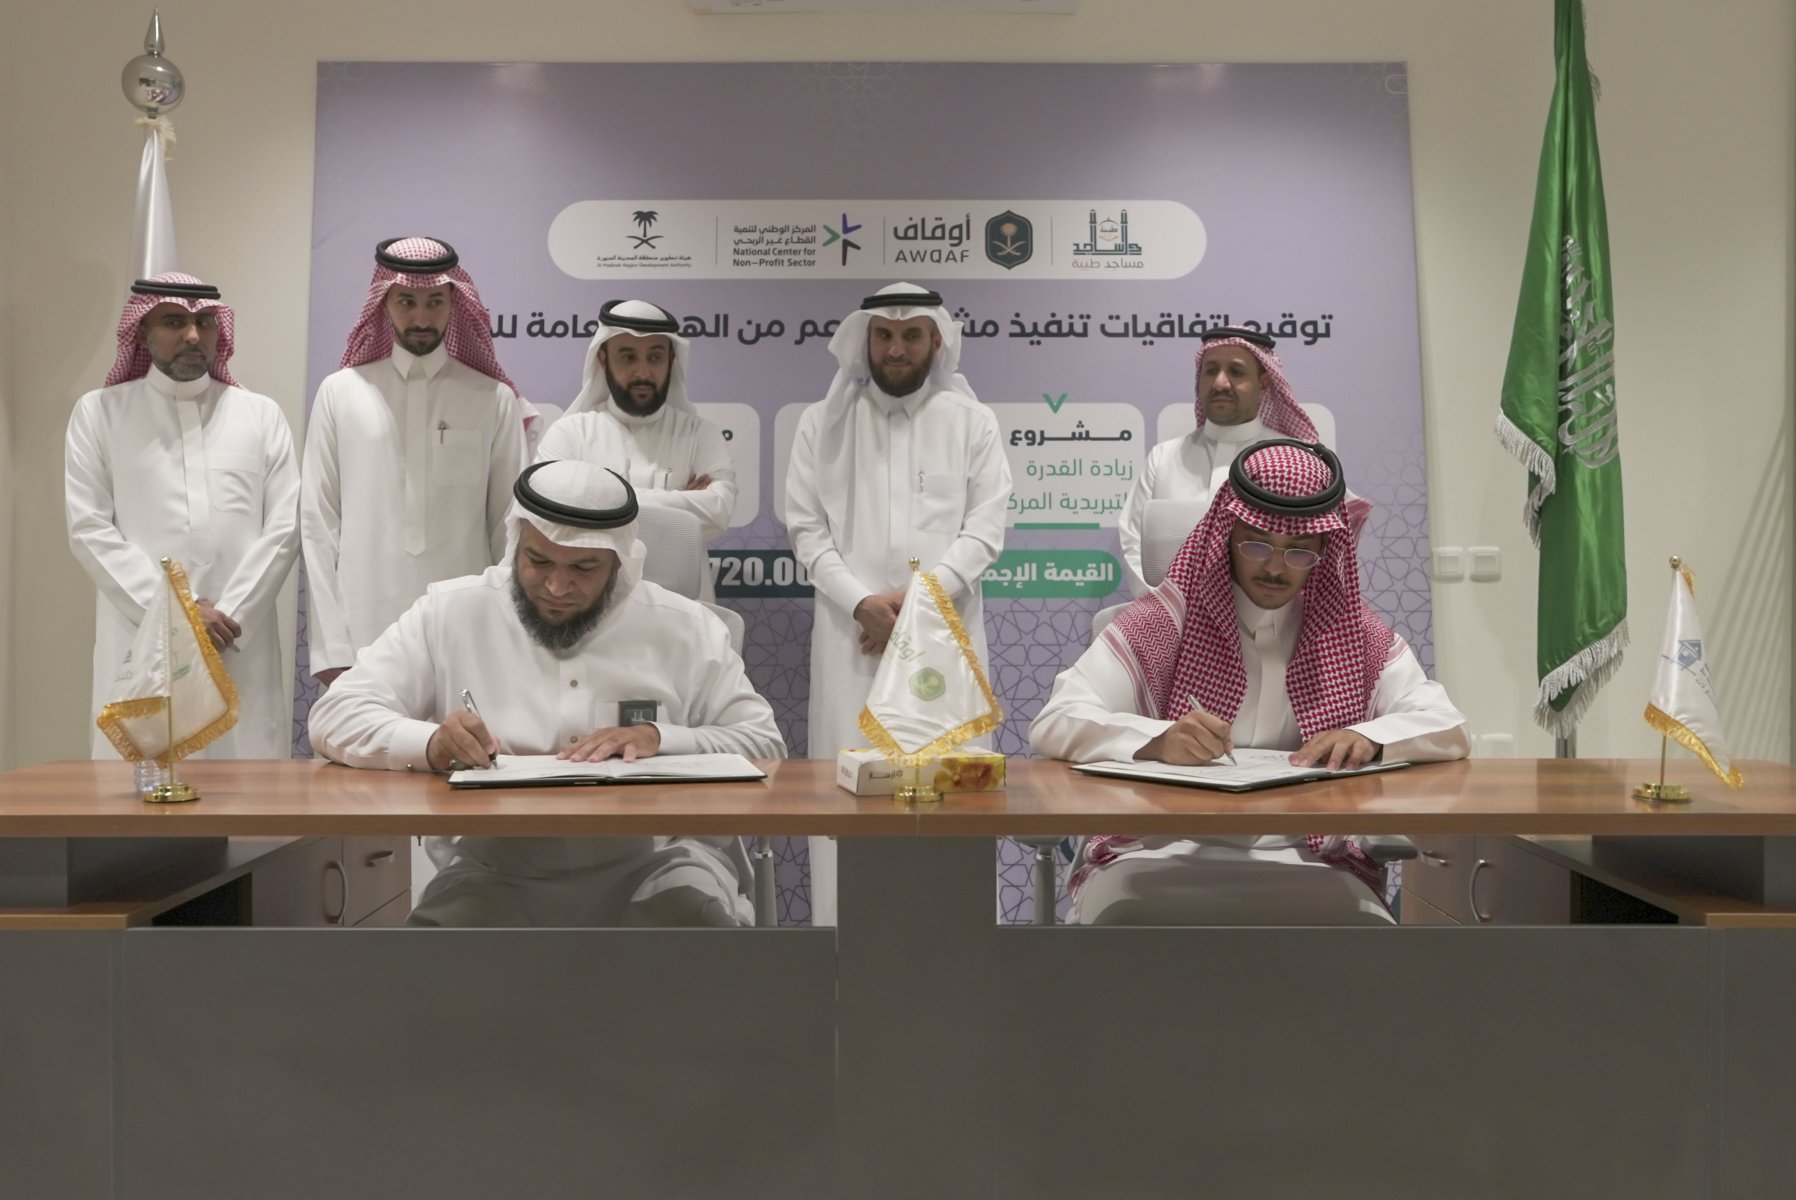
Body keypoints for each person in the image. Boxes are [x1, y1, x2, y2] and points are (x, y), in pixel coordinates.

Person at [307, 459, 786, 927]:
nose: (557, 586)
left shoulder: (684, 627)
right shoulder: (451, 613)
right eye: (538, 561)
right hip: (497, 870)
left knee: (693, 941)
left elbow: (764, 744)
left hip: (654, 863)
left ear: (619, 562)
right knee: (435, 961)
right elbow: (336, 714)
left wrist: (660, 739)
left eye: (583, 567)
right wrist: (431, 744)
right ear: (516, 543)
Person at [1031, 439, 1467, 925]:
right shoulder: (1163, 623)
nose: (1276, 568)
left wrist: (1370, 737)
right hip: (1160, 845)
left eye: (1299, 551)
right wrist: (1157, 740)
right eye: (1257, 545)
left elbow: (1448, 726)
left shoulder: (1354, 635)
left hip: (1310, 854)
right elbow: (1057, 719)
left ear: (1324, 549)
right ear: (1226, 535)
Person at [784, 283, 1011, 922]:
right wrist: (861, 602)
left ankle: (959, 954)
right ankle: (841, 947)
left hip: (945, 640)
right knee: (846, 803)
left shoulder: (972, 422)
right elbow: (806, 531)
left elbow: (985, 531)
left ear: (936, 340)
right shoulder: (821, 424)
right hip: (850, 641)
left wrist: (920, 605)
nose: (896, 348)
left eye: (912, 335)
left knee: (953, 800)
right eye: (884, 334)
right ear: (865, 339)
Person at [66, 273, 300, 758]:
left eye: (205, 322)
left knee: (247, 787)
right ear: (142, 331)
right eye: (174, 322)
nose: (193, 335)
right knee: (138, 787)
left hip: (237, 639)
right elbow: (89, 529)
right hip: (142, 638)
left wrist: (228, 615)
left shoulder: (260, 415)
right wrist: (181, 615)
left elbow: (284, 528)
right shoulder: (99, 414)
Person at [300, 236, 527, 688]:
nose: (421, 318)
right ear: (383, 302)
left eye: (435, 302)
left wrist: (503, 630)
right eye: (406, 301)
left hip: (465, 625)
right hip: (361, 625)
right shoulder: (339, 393)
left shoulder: (492, 398)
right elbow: (317, 523)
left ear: (454, 303)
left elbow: (510, 526)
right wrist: (330, 647)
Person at [1116, 326, 1367, 596]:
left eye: (1236, 372)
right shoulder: (1163, 457)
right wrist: (1165, 610)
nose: (1220, 383)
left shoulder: (1299, 458)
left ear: (1264, 383)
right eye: (1211, 371)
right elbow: (1133, 543)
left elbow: (1328, 547)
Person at [537, 299, 738, 549]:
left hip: (680, 576)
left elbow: (717, 513)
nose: (643, 373)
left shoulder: (701, 435)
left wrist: (594, 502)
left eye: (655, 357)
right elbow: (551, 511)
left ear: (671, 359)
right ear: (603, 359)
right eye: (628, 357)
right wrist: (680, 502)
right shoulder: (569, 433)